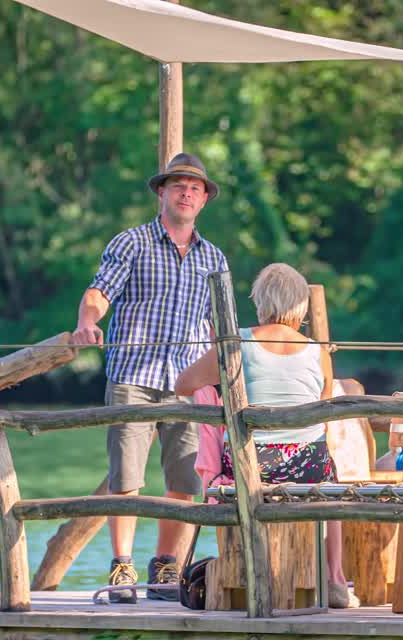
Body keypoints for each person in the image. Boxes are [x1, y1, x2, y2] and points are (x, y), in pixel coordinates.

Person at [73, 152, 229, 603]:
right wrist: (88, 321)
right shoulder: (132, 242)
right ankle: (122, 566)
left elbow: (219, 325)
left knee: (186, 482)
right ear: (161, 192)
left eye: (195, 188)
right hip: (134, 377)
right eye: (178, 185)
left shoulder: (214, 258)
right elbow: (99, 291)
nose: (186, 192)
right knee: (126, 478)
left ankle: (165, 566)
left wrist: (225, 376)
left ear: (203, 201)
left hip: (187, 384)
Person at [175, 263, 359, 608]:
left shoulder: (236, 343)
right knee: (331, 478)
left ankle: (251, 571)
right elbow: (322, 407)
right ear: (301, 305)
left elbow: (182, 384)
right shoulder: (317, 350)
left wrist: (219, 382)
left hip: (252, 467)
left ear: (260, 301)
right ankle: (334, 579)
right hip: (308, 467)